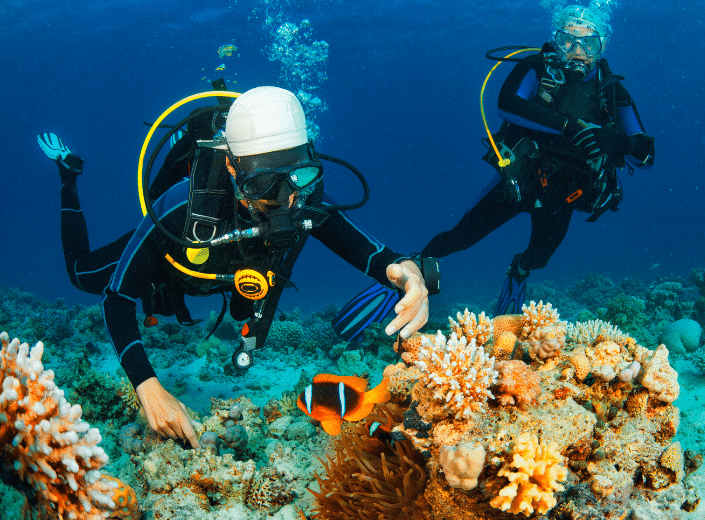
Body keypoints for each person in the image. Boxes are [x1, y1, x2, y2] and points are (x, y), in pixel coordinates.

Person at [38, 86, 436, 448]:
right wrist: (147, 386)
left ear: (311, 159)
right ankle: (67, 176)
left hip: (236, 277)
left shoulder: (307, 199)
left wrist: (408, 273)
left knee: (253, 300)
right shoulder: (179, 209)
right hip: (171, 267)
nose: (285, 200)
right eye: (263, 184)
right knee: (82, 276)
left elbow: (374, 255)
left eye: (297, 176)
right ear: (233, 168)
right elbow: (117, 298)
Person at [420, 5, 655, 316]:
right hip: (518, 180)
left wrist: (616, 140)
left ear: (603, 46)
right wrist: (568, 127)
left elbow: (646, 156)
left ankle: (518, 271)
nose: (577, 51)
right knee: (459, 238)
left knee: (539, 258)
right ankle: (410, 267)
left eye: (589, 43)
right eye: (567, 41)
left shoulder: (613, 94)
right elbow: (506, 105)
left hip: (565, 196)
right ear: (555, 41)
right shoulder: (537, 69)